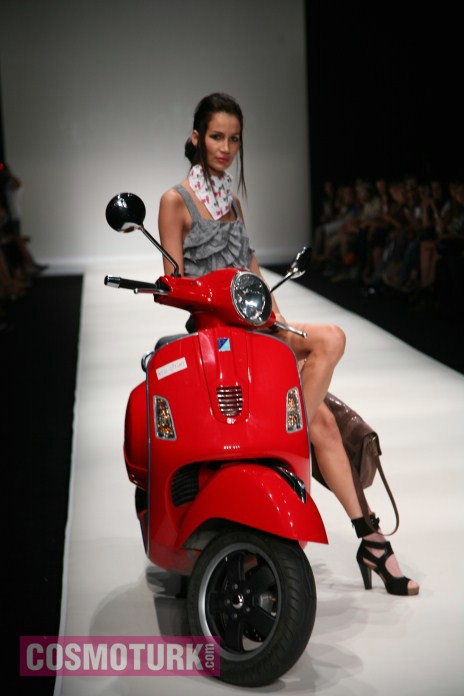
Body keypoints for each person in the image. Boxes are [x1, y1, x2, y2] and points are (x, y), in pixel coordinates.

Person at [157, 92, 419, 596]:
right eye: (216, 137)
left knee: (331, 341)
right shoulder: (175, 201)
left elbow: (251, 266)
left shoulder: (231, 202)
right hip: (215, 337)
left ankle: (292, 445)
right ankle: (368, 536)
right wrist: (212, 296)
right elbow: (171, 284)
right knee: (322, 424)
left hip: (257, 327)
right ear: (196, 137)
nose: (226, 148)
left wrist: (273, 311)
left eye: (234, 139)